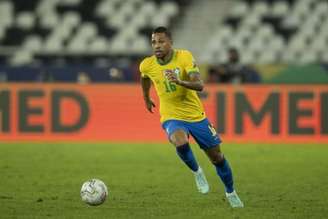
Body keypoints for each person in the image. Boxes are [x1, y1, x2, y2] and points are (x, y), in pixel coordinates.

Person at [139, 26, 244, 208]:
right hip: (172, 115)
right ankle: (197, 172)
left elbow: (200, 84)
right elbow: (144, 77)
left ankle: (230, 191)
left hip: (196, 116)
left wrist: (180, 81)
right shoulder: (147, 64)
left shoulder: (184, 57)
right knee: (179, 141)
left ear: (171, 43)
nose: (157, 45)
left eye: (161, 41)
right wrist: (146, 97)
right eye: (154, 42)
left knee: (217, 157)